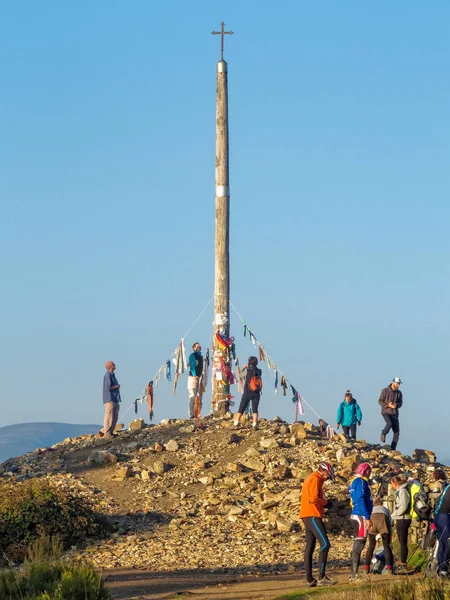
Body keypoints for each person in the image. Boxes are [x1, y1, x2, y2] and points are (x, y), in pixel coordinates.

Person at [299, 462, 337, 587]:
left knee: (310, 546)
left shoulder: (312, 479)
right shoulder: (315, 479)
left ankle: (310, 579)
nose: (327, 479)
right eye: (328, 476)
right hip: (312, 515)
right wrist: (326, 503)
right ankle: (321, 577)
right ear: (324, 471)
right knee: (325, 544)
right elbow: (313, 499)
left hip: (306, 515)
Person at [348, 463, 373, 582]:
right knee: (360, 543)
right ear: (365, 471)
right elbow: (360, 499)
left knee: (357, 543)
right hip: (360, 515)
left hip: (355, 514)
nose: (370, 473)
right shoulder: (361, 482)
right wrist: (367, 517)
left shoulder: (353, 482)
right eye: (369, 471)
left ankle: (353, 573)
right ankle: (354, 575)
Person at [364, 498, 394, 575]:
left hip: (372, 517)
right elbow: (390, 523)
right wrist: (390, 536)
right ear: (381, 504)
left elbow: (366, 521)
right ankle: (389, 568)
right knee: (386, 546)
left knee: (371, 546)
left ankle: (366, 568)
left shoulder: (371, 509)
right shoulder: (385, 509)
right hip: (383, 518)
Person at [233, 356, 262, 430]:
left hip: (247, 392)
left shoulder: (247, 371)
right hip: (256, 393)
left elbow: (239, 375)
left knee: (241, 407)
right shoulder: (259, 371)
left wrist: (243, 367)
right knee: (255, 409)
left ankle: (236, 422)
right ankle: (254, 424)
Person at [390, 475, 411, 573]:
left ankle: (403, 563)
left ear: (395, 483)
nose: (391, 486)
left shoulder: (403, 492)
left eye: (392, 484)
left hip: (403, 519)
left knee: (403, 542)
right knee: (401, 541)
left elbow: (403, 506)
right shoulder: (400, 491)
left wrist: (394, 515)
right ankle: (403, 562)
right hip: (400, 518)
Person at [379, 377, 403, 450]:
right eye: (397, 383)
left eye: (399, 384)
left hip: (394, 413)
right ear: (393, 383)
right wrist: (388, 405)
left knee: (397, 432)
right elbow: (380, 401)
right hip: (386, 412)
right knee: (389, 424)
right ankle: (384, 433)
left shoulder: (399, 393)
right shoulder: (385, 391)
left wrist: (396, 405)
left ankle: (393, 448)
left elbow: (400, 403)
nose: (398, 385)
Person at [433, 478, 450, 577]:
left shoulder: (447, 487)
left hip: (438, 516)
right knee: (447, 542)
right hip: (445, 517)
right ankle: (443, 570)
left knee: (442, 543)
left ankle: (442, 570)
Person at [102, 361, 121, 438]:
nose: (115, 365)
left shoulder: (113, 375)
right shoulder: (108, 375)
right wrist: (116, 386)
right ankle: (107, 433)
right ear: (110, 366)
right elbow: (108, 387)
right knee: (109, 415)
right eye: (113, 364)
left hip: (115, 398)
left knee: (115, 416)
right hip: (110, 398)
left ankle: (111, 432)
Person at [188, 342, 203, 419]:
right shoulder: (192, 355)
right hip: (193, 377)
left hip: (199, 377)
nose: (198, 348)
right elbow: (192, 366)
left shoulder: (201, 357)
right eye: (197, 347)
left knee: (199, 396)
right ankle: (192, 413)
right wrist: (194, 376)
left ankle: (198, 412)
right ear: (193, 348)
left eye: (199, 347)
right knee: (193, 395)